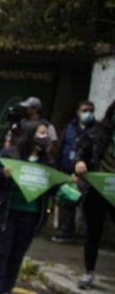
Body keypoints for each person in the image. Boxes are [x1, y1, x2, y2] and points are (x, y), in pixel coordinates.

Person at [0, 121, 54, 294]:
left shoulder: (47, 162)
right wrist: (3, 174)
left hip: (30, 215)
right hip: (6, 211)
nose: (44, 137)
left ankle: (6, 292)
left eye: (46, 134)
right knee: (0, 251)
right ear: (30, 135)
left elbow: (52, 188)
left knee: (16, 254)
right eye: (40, 133)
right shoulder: (10, 154)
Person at [74, 99, 115, 289]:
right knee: (93, 232)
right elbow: (82, 151)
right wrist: (81, 162)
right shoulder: (99, 132)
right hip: (98, 188)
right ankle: (88, 272)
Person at [52, 100, 97, 243]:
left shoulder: (96, 130)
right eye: (84, 110)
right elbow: (61, 148)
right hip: (66, 171)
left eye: (90, 110)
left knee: (86, 204)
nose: (87, 113)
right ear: (78, 111)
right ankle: (66, 231)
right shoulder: (69, 128)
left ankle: (89, 235)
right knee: (66, 200)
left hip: (86, 174)